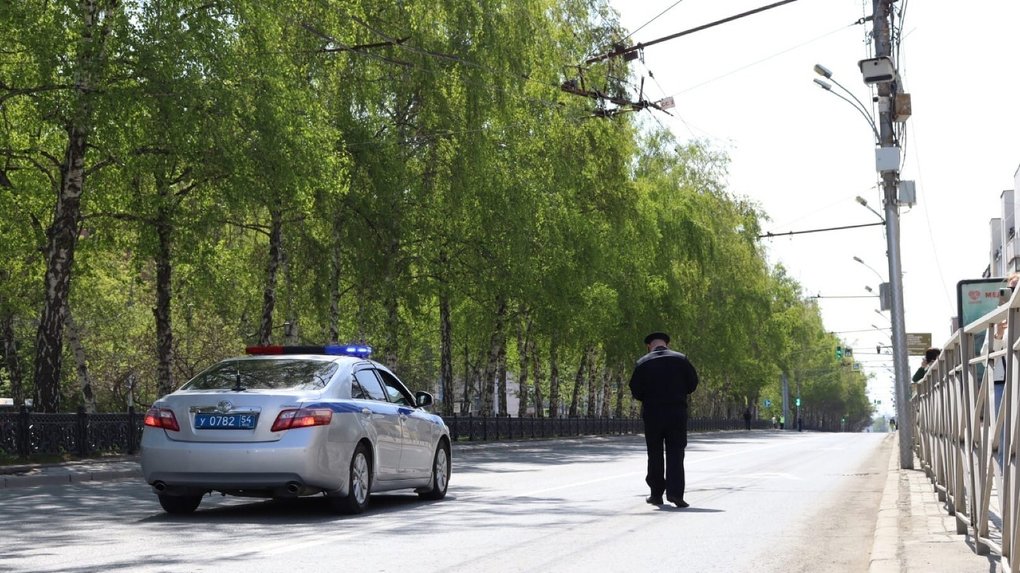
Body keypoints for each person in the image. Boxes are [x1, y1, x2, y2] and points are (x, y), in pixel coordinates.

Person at [629, 331, 699, 508]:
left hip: (653, 414)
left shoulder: (643, 363)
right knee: (676, 452)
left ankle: (656, 494)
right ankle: (675, 493)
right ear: (666, 344)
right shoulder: (681, 359)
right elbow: (692, 384)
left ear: (649, 346)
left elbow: (635, 390)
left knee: (655, 453)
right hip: (677, 413)